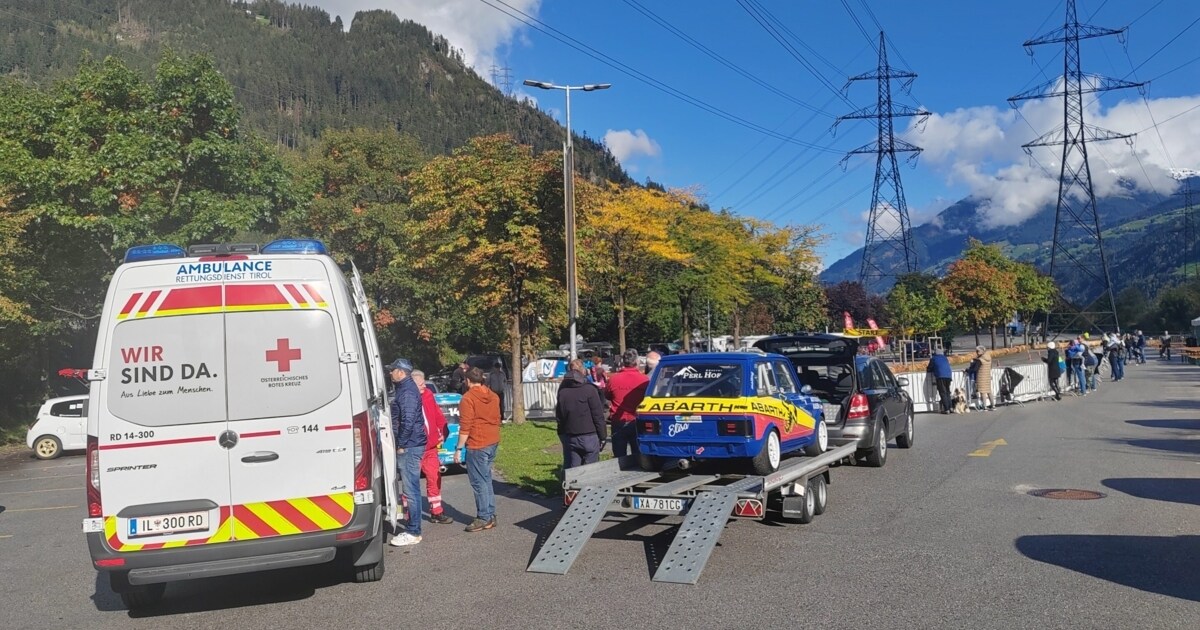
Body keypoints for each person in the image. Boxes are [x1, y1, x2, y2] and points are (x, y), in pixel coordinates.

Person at [387, 358, 427, 546]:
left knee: (410, 489)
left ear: (401, 372)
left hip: (410, 445)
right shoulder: (405, 390)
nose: (390, 373)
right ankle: (413, 528)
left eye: (392, 370)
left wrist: (401, 444)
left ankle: (413, 531)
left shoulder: (407, 393)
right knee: (410, 489)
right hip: (411, 443)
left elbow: (408, 420)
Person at [456, 367, 501, 532]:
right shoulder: (493, 396)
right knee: (486, 479)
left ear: (468, 381)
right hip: (492, 440)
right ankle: (490, 513)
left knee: (478, 482)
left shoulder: (467, 399)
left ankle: (483, 516)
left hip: (477, 443)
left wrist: (458, 448)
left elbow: (465, 427)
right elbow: (497, 418)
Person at [412, 369, 453, 525]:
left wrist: (443, 429)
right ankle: (411, 514)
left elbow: (437, 415)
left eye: (423, 382)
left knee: (434, 478)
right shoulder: (407, 399)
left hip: (430, 448)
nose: (424, 385)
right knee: (411, 482)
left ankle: (436, 511)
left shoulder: (428, 395)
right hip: (414, 448)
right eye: (421, 384)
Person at [555, 363, 607, 470]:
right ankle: (587, 485)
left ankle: (573, 486)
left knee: (574, 468)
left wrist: (563, 433)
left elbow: (560, 417)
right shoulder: (590, 390)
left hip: (572, 436)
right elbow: (598, 415)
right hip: (590, 435)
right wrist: (603, 436)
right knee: (591, 469)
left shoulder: (563, 392)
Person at [605, 349, 650, 457]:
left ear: (623, 361)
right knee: (639, 454)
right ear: (637, 361)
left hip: (618, 421)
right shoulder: (644, 380)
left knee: (619, 457)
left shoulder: (613, 379)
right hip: (637, 420)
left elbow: (607, 396)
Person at [925, 349, 953, 414]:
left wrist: (931, 370)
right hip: (948, 376)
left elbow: (929, 368)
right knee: (947, 392)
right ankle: (951, 407)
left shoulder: (934, 358)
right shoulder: (945, 358)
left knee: (943, 392)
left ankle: (946, 409)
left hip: (940, 376)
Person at [974, 345, 995, 410]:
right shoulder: (989, 357)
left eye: (978, 351)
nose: (977, 352)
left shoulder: (980, 359)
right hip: (987, 375)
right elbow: (990, 367)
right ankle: (993, 405)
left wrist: (968, 369)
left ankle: (984, 406)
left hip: (981, 376)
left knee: (983, 391)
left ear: (982, 351)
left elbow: (975, 369)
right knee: (989, 391)